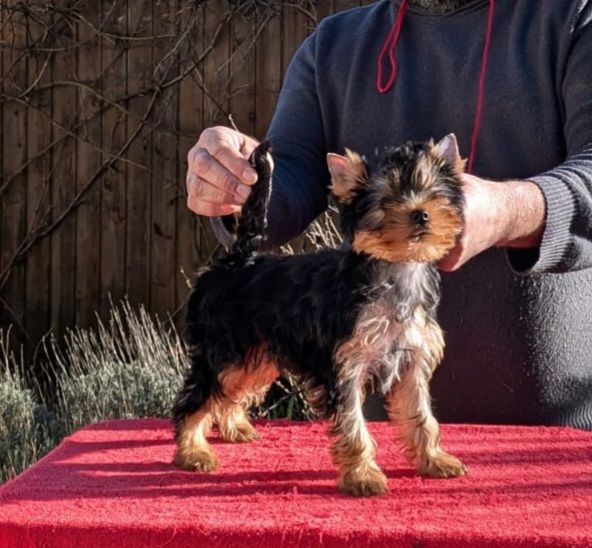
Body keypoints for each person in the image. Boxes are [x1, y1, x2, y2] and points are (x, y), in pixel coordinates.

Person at [184, 0, 592, 428]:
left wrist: (509, 211)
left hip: (560, 439)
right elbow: (285, 191)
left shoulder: (575, 17)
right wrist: (238, 181)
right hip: (382, 444)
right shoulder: (332, 46)